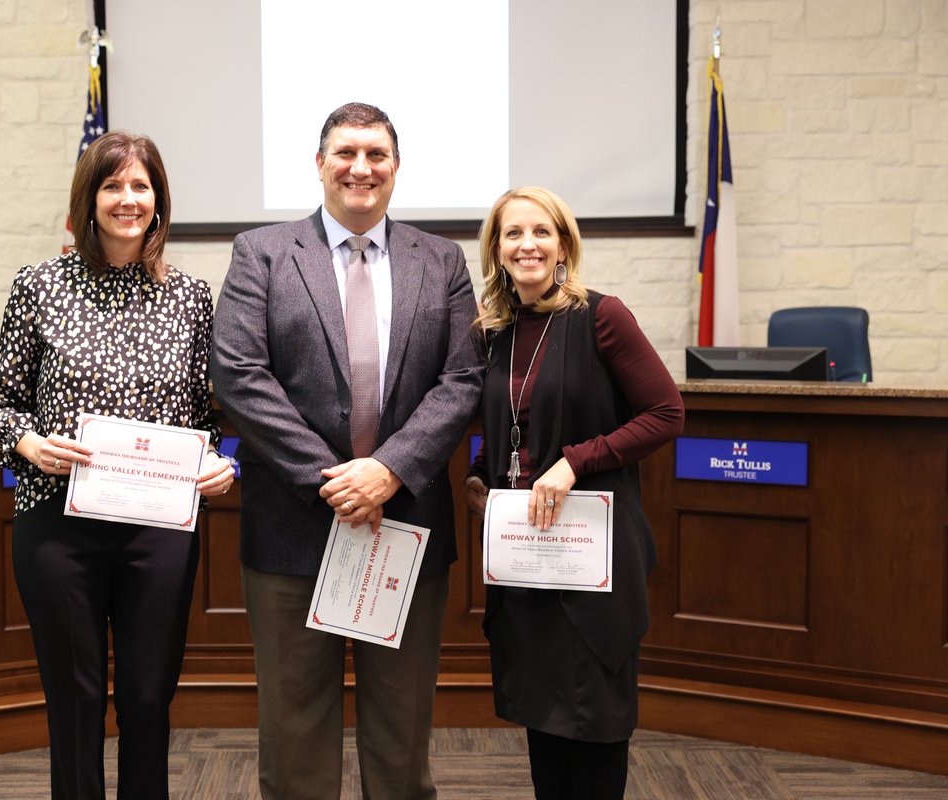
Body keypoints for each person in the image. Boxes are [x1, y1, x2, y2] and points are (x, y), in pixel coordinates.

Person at [211, 102, 484, 799]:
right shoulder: (262, 253)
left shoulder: (442, 259)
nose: (360, 167)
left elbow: (462, 379)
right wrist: (334, 480)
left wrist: (388, 470)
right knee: (296, 736)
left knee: (401, 737)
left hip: (407, 525)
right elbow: (239, 374)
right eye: (345, 152)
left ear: (396, 167)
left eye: (377, 154)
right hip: (293, 529)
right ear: (319, 163)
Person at [0, 130, 235, 800]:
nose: (128, 199)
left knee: (148, 698)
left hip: (158, 529)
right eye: (112, 185)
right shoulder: (38, 286)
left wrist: (216, 461)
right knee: (76, 698)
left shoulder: (190, 297)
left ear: (159, 201)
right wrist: (29, 444)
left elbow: (202, 420)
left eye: (140, 186)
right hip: (58, 525)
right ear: (88, 199)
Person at [465, 186, 684, 799]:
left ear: (563, 244)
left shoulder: (601, 316)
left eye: (541, 231)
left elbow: (666, 413)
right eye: (513, 233)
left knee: (595, 728)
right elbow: (509, 431)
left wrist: (572, 463)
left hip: (592, 566)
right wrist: (485, 481)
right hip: (527, 558)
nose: (527, 244)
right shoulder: (494, 332)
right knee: (546, 730)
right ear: (496, 249)